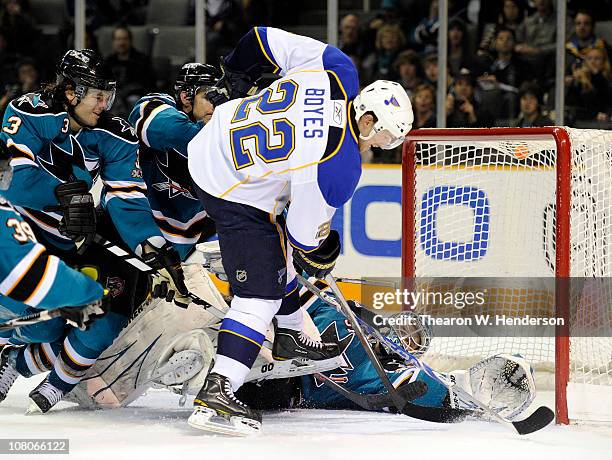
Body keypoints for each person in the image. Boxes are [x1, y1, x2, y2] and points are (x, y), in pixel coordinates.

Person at [186, 26, 413, 435]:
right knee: (260, 295)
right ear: (367, 118)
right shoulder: (340, 164)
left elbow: (259, 39)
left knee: (277, 254)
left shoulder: (336, 69)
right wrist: (325, 250)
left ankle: (291, 335)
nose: (379, 145)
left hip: (216, 135)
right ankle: (217, 392)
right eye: (383, 137)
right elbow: (304, 235)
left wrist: (235, 76)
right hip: (228, 186)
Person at [0, 49, 190, 413]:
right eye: (97, 95)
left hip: (74, 240)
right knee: (38, 324)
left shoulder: (112, 133)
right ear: (70, 91)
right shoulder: (27, 111)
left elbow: (125, 197)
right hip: (19, 234)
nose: (105, 104)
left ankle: (30, 371)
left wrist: (154, 249)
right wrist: (61, 193)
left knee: (107, 318)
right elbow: (8, 176)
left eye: (109, 95)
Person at [128, 63, 219, 260]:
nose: (218, 105)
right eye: (211, 96)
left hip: (198, 235)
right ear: (186, 97)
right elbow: (173, 131)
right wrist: (226, 129)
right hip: (144, 227)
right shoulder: (154, 105)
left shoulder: (218, 128)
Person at [104, 25, 156, 117]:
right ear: (113, 42)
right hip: (115, 96)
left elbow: (146, 85)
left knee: (133, 100)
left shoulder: (142, 60)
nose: (121, 43)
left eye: (124, 39)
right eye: (118, 39)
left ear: (130, 40)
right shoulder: (109, 61)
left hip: (135, 96)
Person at [566, 47, 612, 123]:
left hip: (604, 121)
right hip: (583, 122)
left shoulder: (606, 80)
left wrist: (596, 74)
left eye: (597, 58)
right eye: (589, 58)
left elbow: (607, 100)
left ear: (603, 62)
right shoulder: (579, 80)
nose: (592, 62)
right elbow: (573, 106)